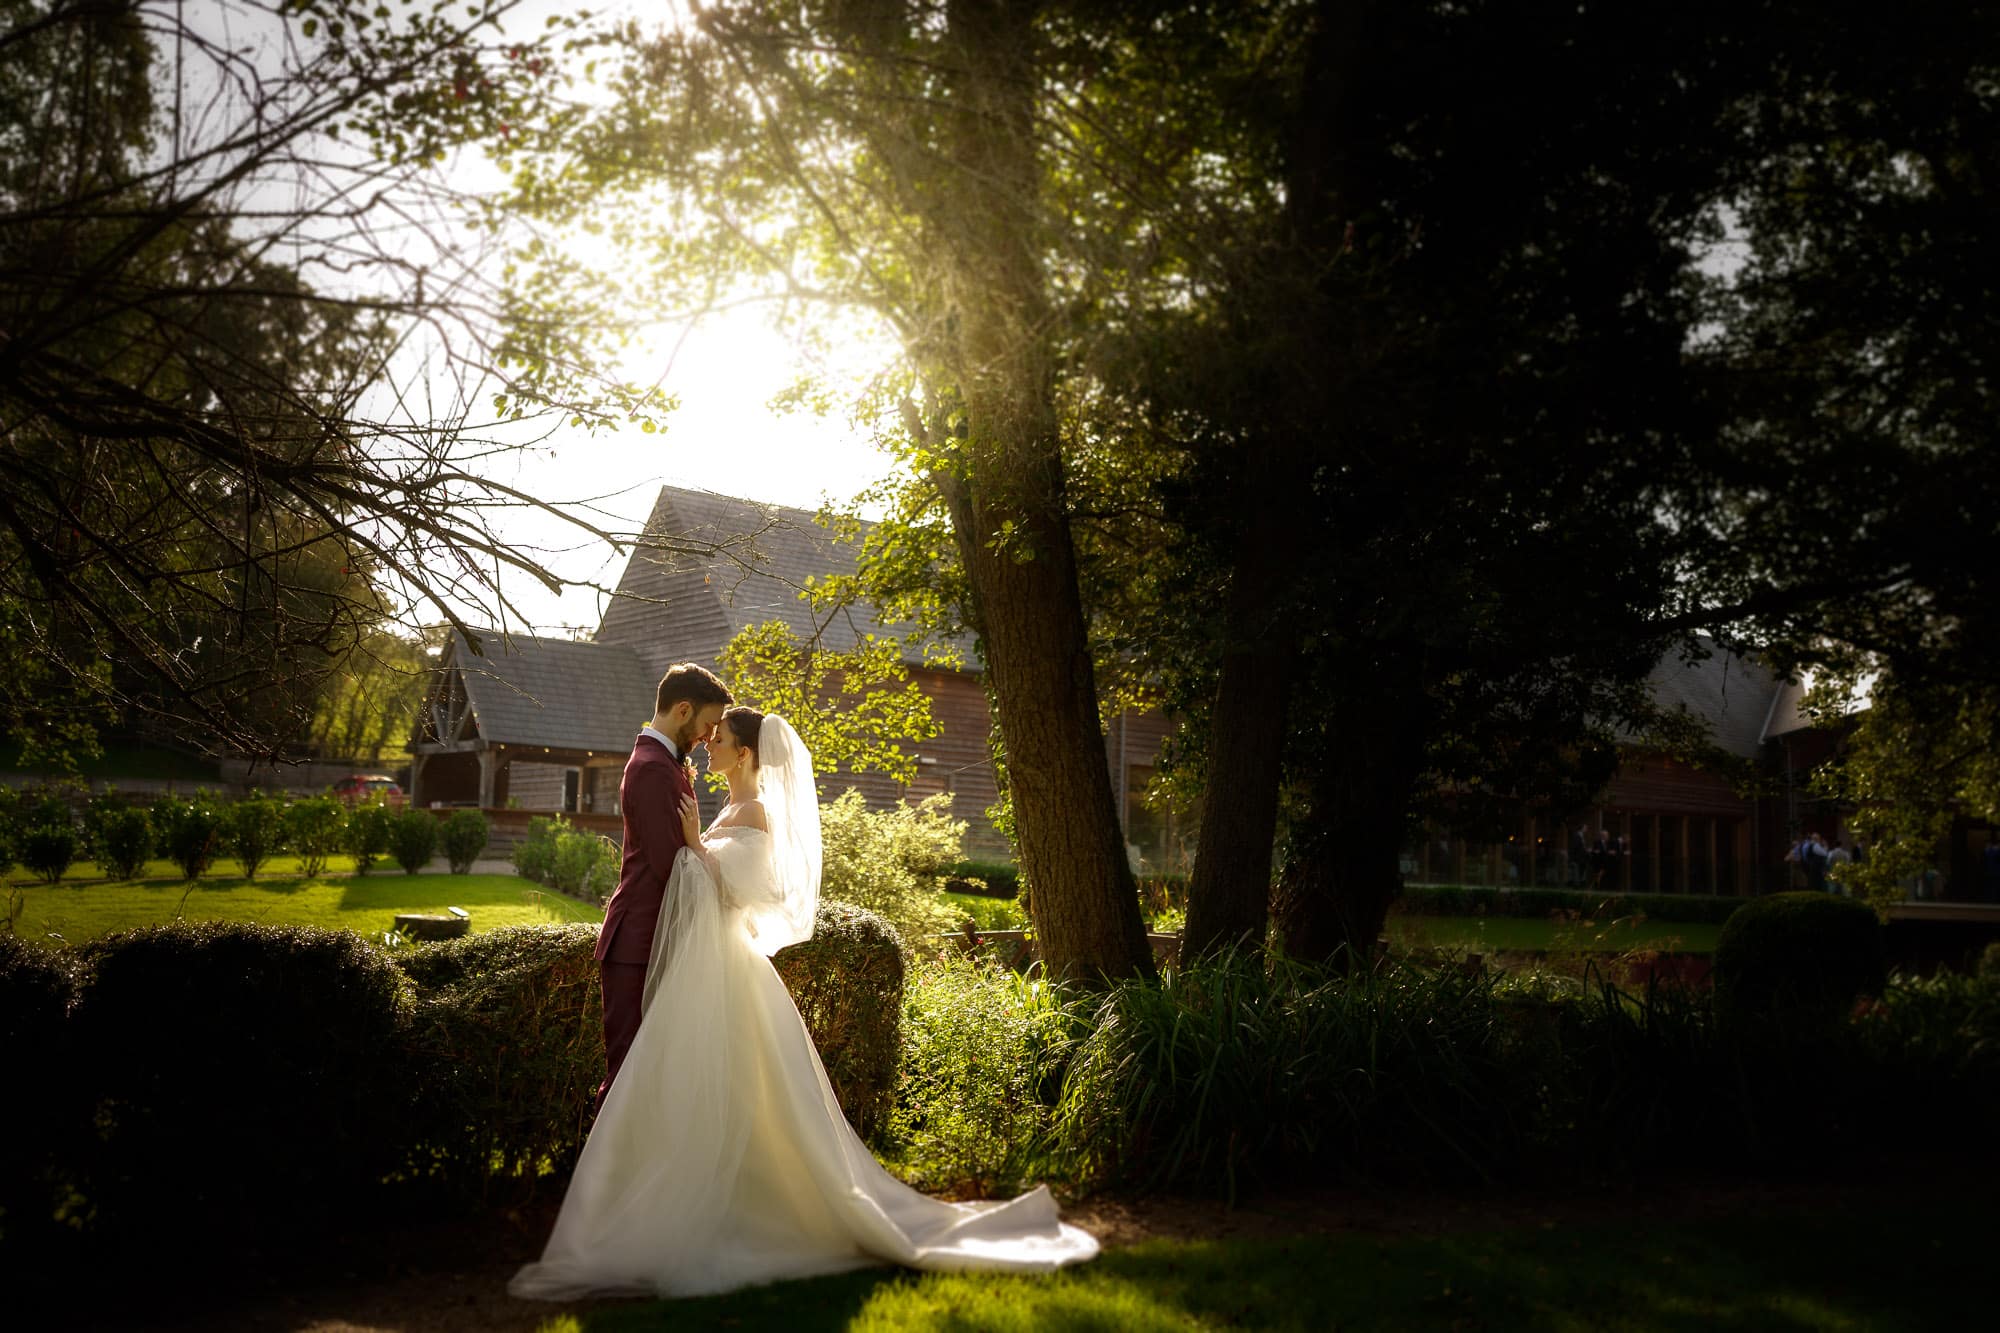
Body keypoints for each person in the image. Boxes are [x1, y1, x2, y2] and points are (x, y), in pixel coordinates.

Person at [510, 706, 1098, 1300]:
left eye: (720, 740)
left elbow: (752, 895)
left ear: (744, 755)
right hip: (706, 968)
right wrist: (696, 843)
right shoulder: (726, 808)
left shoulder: (758, 813)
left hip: (727, 972)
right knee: (710, 1089)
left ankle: (742, 1213)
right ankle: (696, 1204)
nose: (708, 745)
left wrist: (694, 846)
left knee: (740, 1093)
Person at [592, 662, 734, 1111]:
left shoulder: (663, 763)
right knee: (630, 1074)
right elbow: (671, 863)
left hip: (656, 938)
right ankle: (604, 1179)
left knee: (653, 1073)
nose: (709, 737)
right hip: (637, 943)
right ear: (683, 709)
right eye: (708, 725)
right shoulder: (653, 768)